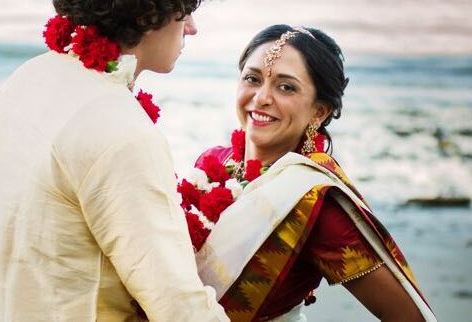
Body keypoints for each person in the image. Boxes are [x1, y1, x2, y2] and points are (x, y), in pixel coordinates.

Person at [0, 0, 229, 321]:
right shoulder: (120, 131)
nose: (192, 27)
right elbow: (177, 305)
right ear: (148, 12)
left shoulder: (26, 79)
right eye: (184, 9)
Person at [183, 25, 437, 321]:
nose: (262, 97)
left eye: (286, 87)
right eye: (252, 79)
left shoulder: (313, 199)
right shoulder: (212, 164)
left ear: (319, 111)